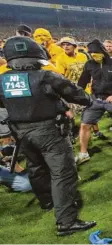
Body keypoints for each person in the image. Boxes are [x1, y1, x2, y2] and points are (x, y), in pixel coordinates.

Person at [0, 36, 96, 236]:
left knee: (36, 167)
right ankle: (66, 221)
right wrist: (87, 100)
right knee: (63, 172)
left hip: (20, 132)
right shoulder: (45, 76)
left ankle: (47, 201)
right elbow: (76, 94)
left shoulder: (2, 79)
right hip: (48, 130)